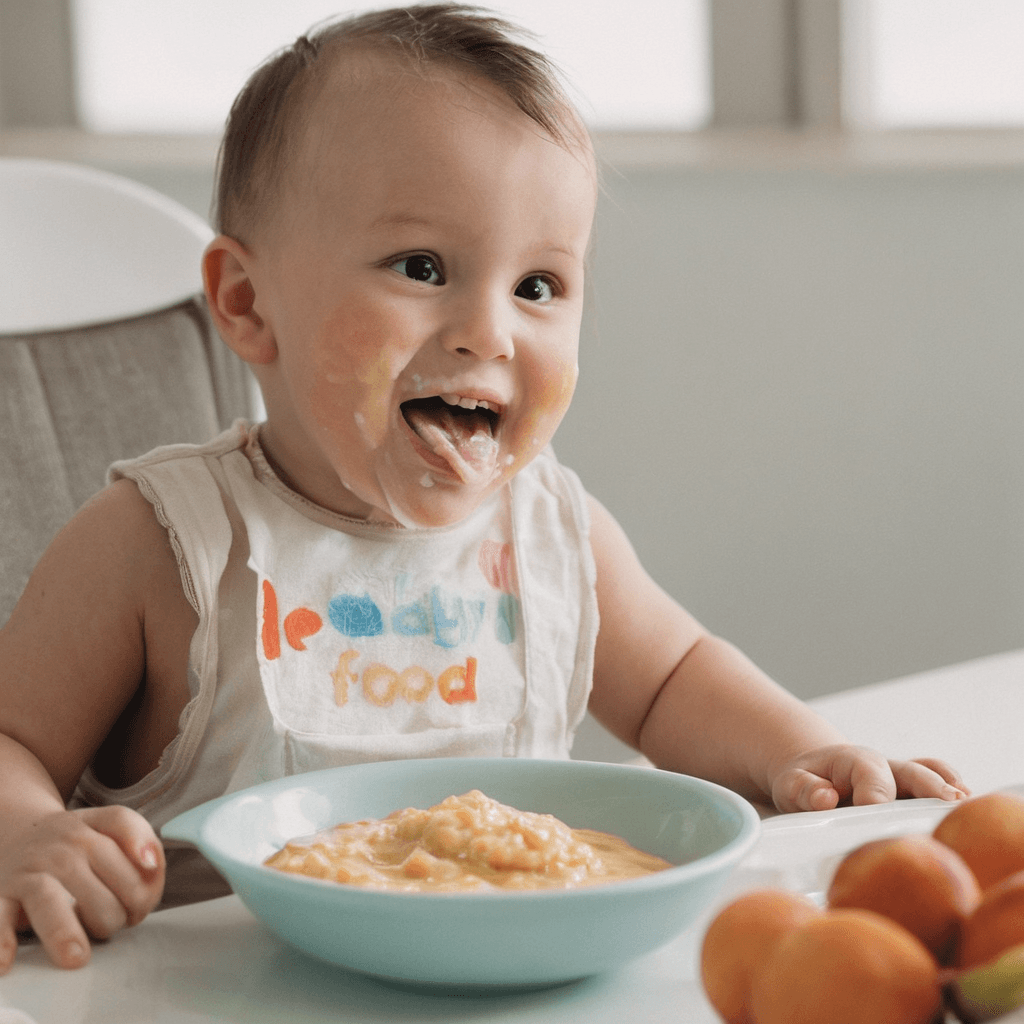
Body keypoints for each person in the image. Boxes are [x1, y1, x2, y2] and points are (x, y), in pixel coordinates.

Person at [0, 4, 967, 973]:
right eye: (422, 267)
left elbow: (677, 679)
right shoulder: (160, 545)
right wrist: (29, 835)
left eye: (537, 286)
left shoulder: (549, 534)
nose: (490, 332)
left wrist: (800, 752)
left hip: (518, 978)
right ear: (249, 304)